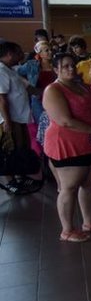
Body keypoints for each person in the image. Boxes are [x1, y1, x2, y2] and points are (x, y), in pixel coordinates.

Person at [41, 53, 91, 242]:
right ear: (56, 70)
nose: (71, 69)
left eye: (72, 65)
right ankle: (67, 230)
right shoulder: (53, 90)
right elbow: (64, 120)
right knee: (68, 188)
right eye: (65, 66)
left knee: (88, 185)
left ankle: (88, 222)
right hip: (66, 145)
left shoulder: (83, 87)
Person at [0, 41, 40, 193]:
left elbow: (28, 88)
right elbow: (2, 99)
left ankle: (20, 177)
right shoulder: (1, 71)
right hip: (10, 120)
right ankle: (10, 181)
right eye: (19, 52)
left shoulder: (10, 70)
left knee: (20, 149)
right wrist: (7, 121)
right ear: (9, 54)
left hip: (19, 118)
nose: (21, 55)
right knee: (9, 151)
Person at [17, 40, 56, 154]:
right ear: (39, 53)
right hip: (39, 99)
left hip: (54, 99)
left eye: (50, 49)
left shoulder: (56, 64)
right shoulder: (32, 65)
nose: (50, 52)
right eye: (46, 50)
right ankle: (44, 152)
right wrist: (27, 86)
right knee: (42, 126)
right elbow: (17, 73)